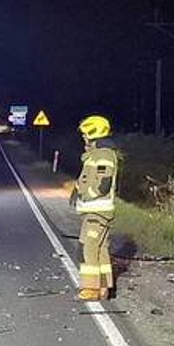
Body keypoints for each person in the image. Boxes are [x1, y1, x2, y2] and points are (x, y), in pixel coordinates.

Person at [72, 114, 120, 301]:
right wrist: (76, 189)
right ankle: (104, 288)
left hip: (98, 212)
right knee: (100, 249)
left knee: (88, 249)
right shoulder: (96, 154)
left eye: (85, 134)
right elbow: (88, 179)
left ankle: (91, 289)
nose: (83, 137)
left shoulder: (103, 155)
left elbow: (102, 184)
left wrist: (85, 194)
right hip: (96, 212)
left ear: (93, 133)